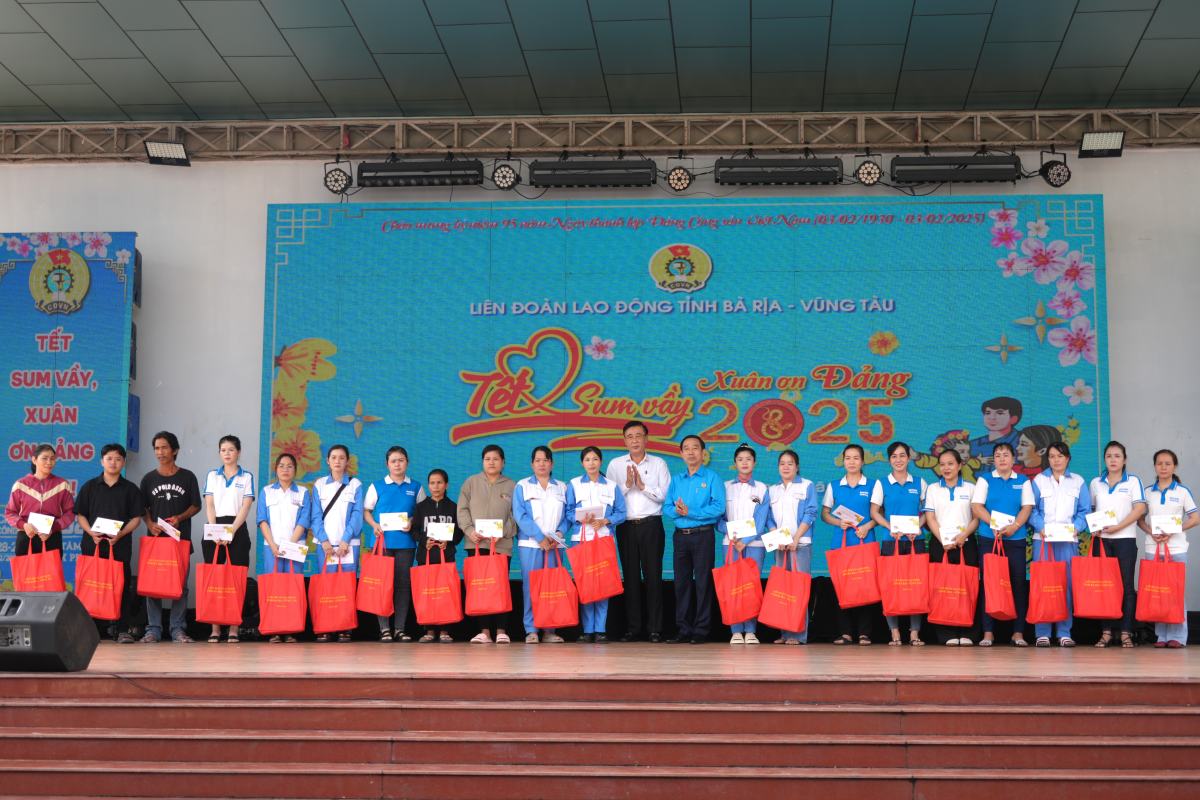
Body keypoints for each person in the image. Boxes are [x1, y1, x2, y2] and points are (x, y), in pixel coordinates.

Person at [605, 420, 672, 642]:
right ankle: (633, 628)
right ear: (624, 440)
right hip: (626, 526)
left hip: (651, 524)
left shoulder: (659, 463)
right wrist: (626, 484)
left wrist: (642, 486)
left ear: (646, 438)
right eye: (630, 436)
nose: (634, 440)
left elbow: (665, 495)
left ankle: (655, 629)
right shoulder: (615, 464)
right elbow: (610, 498)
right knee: (631, 578)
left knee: (653, 577)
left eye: (638, 435)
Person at [75, 443, 144, 642]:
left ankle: (122, 629)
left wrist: (120, 534)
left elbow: (136, 519)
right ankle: (91, 630)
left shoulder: (130, 489)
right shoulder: (89, 486)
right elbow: (81, 515)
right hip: (93, 545)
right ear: (101, 461)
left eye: (117, 459)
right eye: (109, 458)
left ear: (123, 462)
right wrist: (91, 533)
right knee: (91, 585)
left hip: (119, 546)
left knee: (120, 585)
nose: (113, 462)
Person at [139, 431, 201, 643]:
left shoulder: (188, 476)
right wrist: (149, 524)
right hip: (156, 542)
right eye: (156, 448)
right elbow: (143, 508)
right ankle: (153, 630)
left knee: (180, 588)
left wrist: (180, 517)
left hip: (179, 541)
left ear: (175, 450)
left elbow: (196, 505)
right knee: (152, 587)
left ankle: (177, 629)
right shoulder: (148, 478)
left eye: (164, 447)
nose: (160, 452)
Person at [971, 441, 1035, 647]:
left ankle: (1018, 633)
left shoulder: (1023, 481)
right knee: (989, 584)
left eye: (1005, 455)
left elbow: (1026, 508)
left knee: (1017, 585)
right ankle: (988, 632)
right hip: (990, 539)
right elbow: (977, 506)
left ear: (1013, 459)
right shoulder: (985, 479)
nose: (1001, 459)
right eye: (997, 455)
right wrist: (994, 524)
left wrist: (1015, 526)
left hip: (1015, 539)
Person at [664, 435, 725, 644]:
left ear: (703, 453)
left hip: (703, 535)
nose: (691, 452)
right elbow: (666, 507)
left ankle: (701, 629)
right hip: (680, 537)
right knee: (681, 584)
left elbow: (719, 507)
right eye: (686, 448)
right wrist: (679, 513)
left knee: (703, 583)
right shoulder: (676, 480)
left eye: (695, 448)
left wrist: (691, 512)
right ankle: (683, 629)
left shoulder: (712, 478)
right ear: (681, 454)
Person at [1029, 440, 1090, 647]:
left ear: (1068, 458)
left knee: (1066, 585)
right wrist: (1040, 526)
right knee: (1043, 585)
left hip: (1067, 540)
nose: (1056, 460)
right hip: (1043, 540)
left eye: (1060, 456)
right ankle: (1042, 633)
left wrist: (1076, 528)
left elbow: (1084, 512)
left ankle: (1064, 632)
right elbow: (1031, 510)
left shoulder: (1078, 482)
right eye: (1052, 456)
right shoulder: (1038, 480)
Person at [363, 446, 426, 642]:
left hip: (406, 544)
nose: (397, 464)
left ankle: (399, 628)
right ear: (387, 464)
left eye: (401, 460)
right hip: (382, 543)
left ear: (407, 462)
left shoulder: (416, 487)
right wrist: (374, 524)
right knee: (382, 585)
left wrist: (412, 521)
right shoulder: (376, 486)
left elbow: (422, 513)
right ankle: (384, 629)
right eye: (393, 461)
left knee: (402, 586)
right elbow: (366, 511)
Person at [1136, 449, 1198, 648]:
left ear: (1174, 466)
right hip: (1153, 548)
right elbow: (1139, 519)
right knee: (1156, 592)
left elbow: (1195, 518)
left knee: (1176, 592)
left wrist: (1173, 530)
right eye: (1160, 463)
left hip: (1176, 548)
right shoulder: (1146, 492)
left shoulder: (1182, 491)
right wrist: (1149, 531)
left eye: (1168, 463)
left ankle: (1178, 637)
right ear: (1155, 466)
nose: (1163, 467)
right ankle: (1161, 636)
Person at [565, 446, 627, 643]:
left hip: (603, 539)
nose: (591, 463)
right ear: (582, 463)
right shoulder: (574, 484)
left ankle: (600, 630)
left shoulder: (611, 485)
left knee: (603, 583)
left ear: (601, 462)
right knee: (585, 584)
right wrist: (579, 518)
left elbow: (622, 512)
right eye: (587, 460)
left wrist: (606, 521)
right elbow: (567, 511)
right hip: (580, 540)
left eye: (595, 459)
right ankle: (587, 630)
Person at [1088, 441, 1147, 649]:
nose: (1113, 460)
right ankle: (1106, 632)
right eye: (1109, 456)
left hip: (1125, 540)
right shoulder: (1096, 482)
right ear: (1104, 459)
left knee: (1126, 588)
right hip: (1102, 542)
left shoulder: (1133, 481)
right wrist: (1094, 527)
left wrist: (1119, 526)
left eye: (1117, 456)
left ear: (1124, 460)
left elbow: (1139, 509)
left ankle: (1125, 632)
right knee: (1105, 587)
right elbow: (1093, 511)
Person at [457, 444, 517, 644]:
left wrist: (503, 532)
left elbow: (516, 516)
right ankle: (484, 632)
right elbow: (462, 509)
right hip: (476, 544)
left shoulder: (512, 485)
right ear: (482, 461)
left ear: (503, 462)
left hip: (501, 545)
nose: (491, 462)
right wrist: (469, 530)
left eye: (496, 459)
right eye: (487, 459)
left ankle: (501, 630)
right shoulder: (471, 483)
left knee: (500, 587)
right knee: (480, 588)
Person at [869, 441, 928, 646]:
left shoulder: (920, 483)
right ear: (889, 460)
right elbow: (874, 512)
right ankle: (894, 633)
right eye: (894, 456)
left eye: (902, 455)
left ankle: (914, 633)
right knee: (891, 586)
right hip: (890, 541)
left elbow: (928, 513)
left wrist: (918, 526)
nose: (899, 460)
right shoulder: (881, 483)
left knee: (916, 586)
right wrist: (889, 527)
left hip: (915, 542)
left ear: (909, 458)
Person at [822, 443, 879, 645]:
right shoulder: (834, 485)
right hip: (841, 543)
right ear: (843, 461)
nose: (852, 462)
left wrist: (868, 526)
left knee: (865, 585)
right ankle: (845, 632)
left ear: (863, 461)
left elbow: (879, 514)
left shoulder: (873, 485)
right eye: (848, 458)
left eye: (856, 458)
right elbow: (824, 514)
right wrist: (839, 522)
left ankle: (864, 633)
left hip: (865, 540)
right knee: (842, 585)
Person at [512, 446, 570, 644]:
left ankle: (549, 630)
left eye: (545, 460)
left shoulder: (562, 487)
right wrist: (539, 537)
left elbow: (568, 515)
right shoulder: (522, 486)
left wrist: (559, 534)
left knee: (552, 586)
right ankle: (531, 630)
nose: (542, 463)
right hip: (530, 544)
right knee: (531, 587)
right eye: (538, 460)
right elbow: (520, 515)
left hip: (555, 545)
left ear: (552, 463)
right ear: (532, 464)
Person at [924, 449, 980, 646]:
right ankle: (945, 632)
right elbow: (930, 517)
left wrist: (963, 535)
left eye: (950, 464)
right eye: (942, 464)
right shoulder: (932, 489)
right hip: (940, 544)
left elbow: (976, 518)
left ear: (959, 465)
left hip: (966, 542)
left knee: (967, 586)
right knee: (942, 588)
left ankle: (969, 632)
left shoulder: (971, 488)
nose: (946, 468)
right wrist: (943, 540)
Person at [202, 434, 255, 643]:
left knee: (236, 580)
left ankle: (234, 627)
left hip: (237, 529)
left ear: (238, 453)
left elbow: (246, 506)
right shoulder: (212, 475)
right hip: (215, 529)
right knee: (214, 578)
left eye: (231, 450)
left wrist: (230, 531)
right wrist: (216, 531)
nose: (227, 454)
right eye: (223, 450)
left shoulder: (246, 477)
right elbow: (210, 505)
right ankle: (215, 628)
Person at [256, 452, 312, 643]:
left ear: (295, 470)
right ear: (276, 469)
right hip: (271, 547)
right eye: (281, 466)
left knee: (292, 588)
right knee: (274, 588)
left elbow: (304, 520)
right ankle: (275, 630)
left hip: (295, 547)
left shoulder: (303, 492)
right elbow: (262, 519)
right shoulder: (266, 491)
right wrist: (273, 544)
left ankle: (291, 630)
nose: (285, 469)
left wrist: (289, 544)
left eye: (289, 466)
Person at [718, 443, 772, 644]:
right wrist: (732, 535)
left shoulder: (762, 488)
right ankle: (735, 630)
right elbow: (719, 519)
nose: (744, 463)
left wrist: (746, 540)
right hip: (730, 544)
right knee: (733, 585)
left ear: (754, 462)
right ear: (735, 463)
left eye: (748, 459)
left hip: (755, 545)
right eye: (740, 459)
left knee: (751, 586)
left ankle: (750, 630)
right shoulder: (725, 487)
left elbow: (761, 520)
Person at [311, 443, 363, 643]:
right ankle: (325, 626)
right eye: (333, 457)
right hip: (324, 545)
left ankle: (344, 627)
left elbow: (357, 515)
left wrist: (345, 540)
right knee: (326, 585)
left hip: (348, 545)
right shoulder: (319, 485)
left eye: (342, 458)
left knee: (346, 586)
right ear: (327, 461)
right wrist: (324, 541)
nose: (337, 461)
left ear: (347, 461)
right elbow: (315, 516)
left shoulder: (355, 484)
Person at [766, 449, 817, 645]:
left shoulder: (807, 485)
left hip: (800, 545)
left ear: (797, 467)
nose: (786, 467)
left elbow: (811, 513)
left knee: (799, 589)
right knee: (782, 588)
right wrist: (777, 536)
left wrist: (795, 538)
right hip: (780, 546)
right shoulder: (772, 490)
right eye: (782, 463)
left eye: (790, 463)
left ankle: (798, 634)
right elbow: (768, 518)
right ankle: (785, 633)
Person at [5, 444, 75, 572]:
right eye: (45, 458)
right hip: (26, 537)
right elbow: (10, 512)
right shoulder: (20, 485)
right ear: (34, 460)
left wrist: (53, 528)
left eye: (52, 458)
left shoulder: (62, 485)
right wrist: (23, 525)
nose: (49, 462)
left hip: (51, 537)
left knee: (51, 583)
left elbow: (70, 513)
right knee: (26, 582)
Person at [413, 468, 463, 643]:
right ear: (428, 485)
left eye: (439, 482)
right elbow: (414, 530)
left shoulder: (453, 507)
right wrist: (423, 541)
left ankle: (444, 630)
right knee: (427, 594)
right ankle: (429, 630)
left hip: (446, 557)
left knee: (445, 593)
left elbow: (459, 533)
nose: (436, 486)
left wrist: (448, 542)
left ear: (446, 485)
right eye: (432, 483)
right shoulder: (420, 507)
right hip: (425, 557)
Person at [969, 397, 1023, 465]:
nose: (992, 417)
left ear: (1013, 419)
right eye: (988, 413)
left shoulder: (1023, 443)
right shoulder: (971, 445)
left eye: (999, 413)